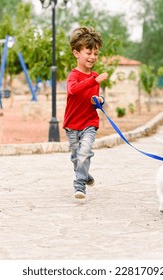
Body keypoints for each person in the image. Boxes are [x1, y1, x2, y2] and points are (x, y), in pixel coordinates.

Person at [63, 26, 109, 199]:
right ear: (76, 53)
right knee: (77, 158)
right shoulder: (73, 76)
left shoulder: (94, 77)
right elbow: (73, 90)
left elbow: (92, 98)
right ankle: (85, 175)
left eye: (95, 53)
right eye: (88, 52)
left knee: (84, 153)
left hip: (89, 122)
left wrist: (99, 101)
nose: (93, 57)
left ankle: (79, 186)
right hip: (72, 124)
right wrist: (93, 80)